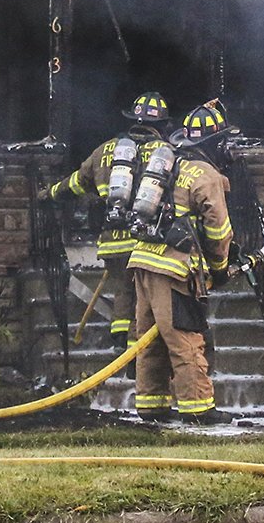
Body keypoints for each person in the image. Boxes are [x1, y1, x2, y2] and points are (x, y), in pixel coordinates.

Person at [126, 100, 237, 421]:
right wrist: (220, 267)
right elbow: (218, 230)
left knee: (150, 340)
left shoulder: (170, 163)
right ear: (213, 143)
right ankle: (198, 408)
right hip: (174, 270)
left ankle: (151, 404)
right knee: (184, 339)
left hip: (144, 261)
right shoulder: (206, 174)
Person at [45, 91, 172, 343]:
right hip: (147, 241)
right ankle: (136, 356)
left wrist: (48, 195)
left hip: (112, 239)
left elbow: (76, 184)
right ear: (162, 125)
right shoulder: (167, 153)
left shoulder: (105, 150)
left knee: (123, 292)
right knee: (143, 299)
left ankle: (119, 343)